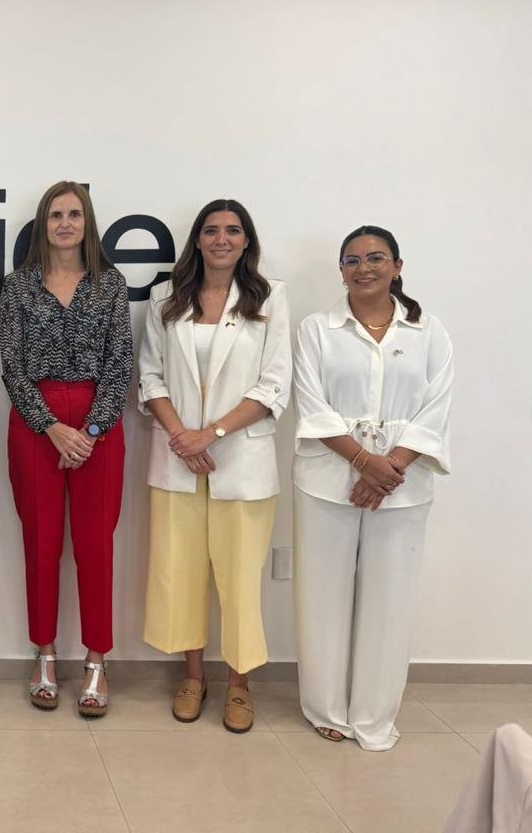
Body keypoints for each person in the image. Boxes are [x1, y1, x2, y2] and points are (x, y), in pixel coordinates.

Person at [292, 225, 452, 751]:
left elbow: (436, 409)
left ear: (397, 266)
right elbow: (311, 404)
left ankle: (374, 715)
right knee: (322, 596)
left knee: (390, 601)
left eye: (376, 258)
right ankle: (325, 708)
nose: (364, 268)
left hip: (402, 485)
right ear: (340, 270)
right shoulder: (317, 329)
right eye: (352, 260)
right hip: (325, 478)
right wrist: (363, 462)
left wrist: (388, 469)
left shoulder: (429, 332)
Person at [138, 199, 291, 733]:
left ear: (246, 240)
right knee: (180, 572)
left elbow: (274, 384)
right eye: (211, 230)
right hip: (178, 459)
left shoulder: (269, 297)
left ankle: (240, 683)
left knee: (240, 579)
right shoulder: (166, 297)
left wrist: (213, 433)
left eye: (232, 230)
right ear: (197, 240)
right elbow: (150, 376)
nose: (221, 239)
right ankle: (194, 677)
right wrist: (183, 438)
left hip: (241, 460)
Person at [0, 180, 130, 717]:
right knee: (41, 542)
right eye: (56, 215)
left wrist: (91, 431)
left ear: (87, 222)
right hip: (37, 424)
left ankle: (97, 659)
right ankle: (46, 654)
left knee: (96, 545)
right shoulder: (18, 286)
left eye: (75, 214)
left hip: (99, 424)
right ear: (43, 223)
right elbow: (12, 366)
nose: (65, 223)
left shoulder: (111, 284)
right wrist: (52, 426)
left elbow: (120, 363)